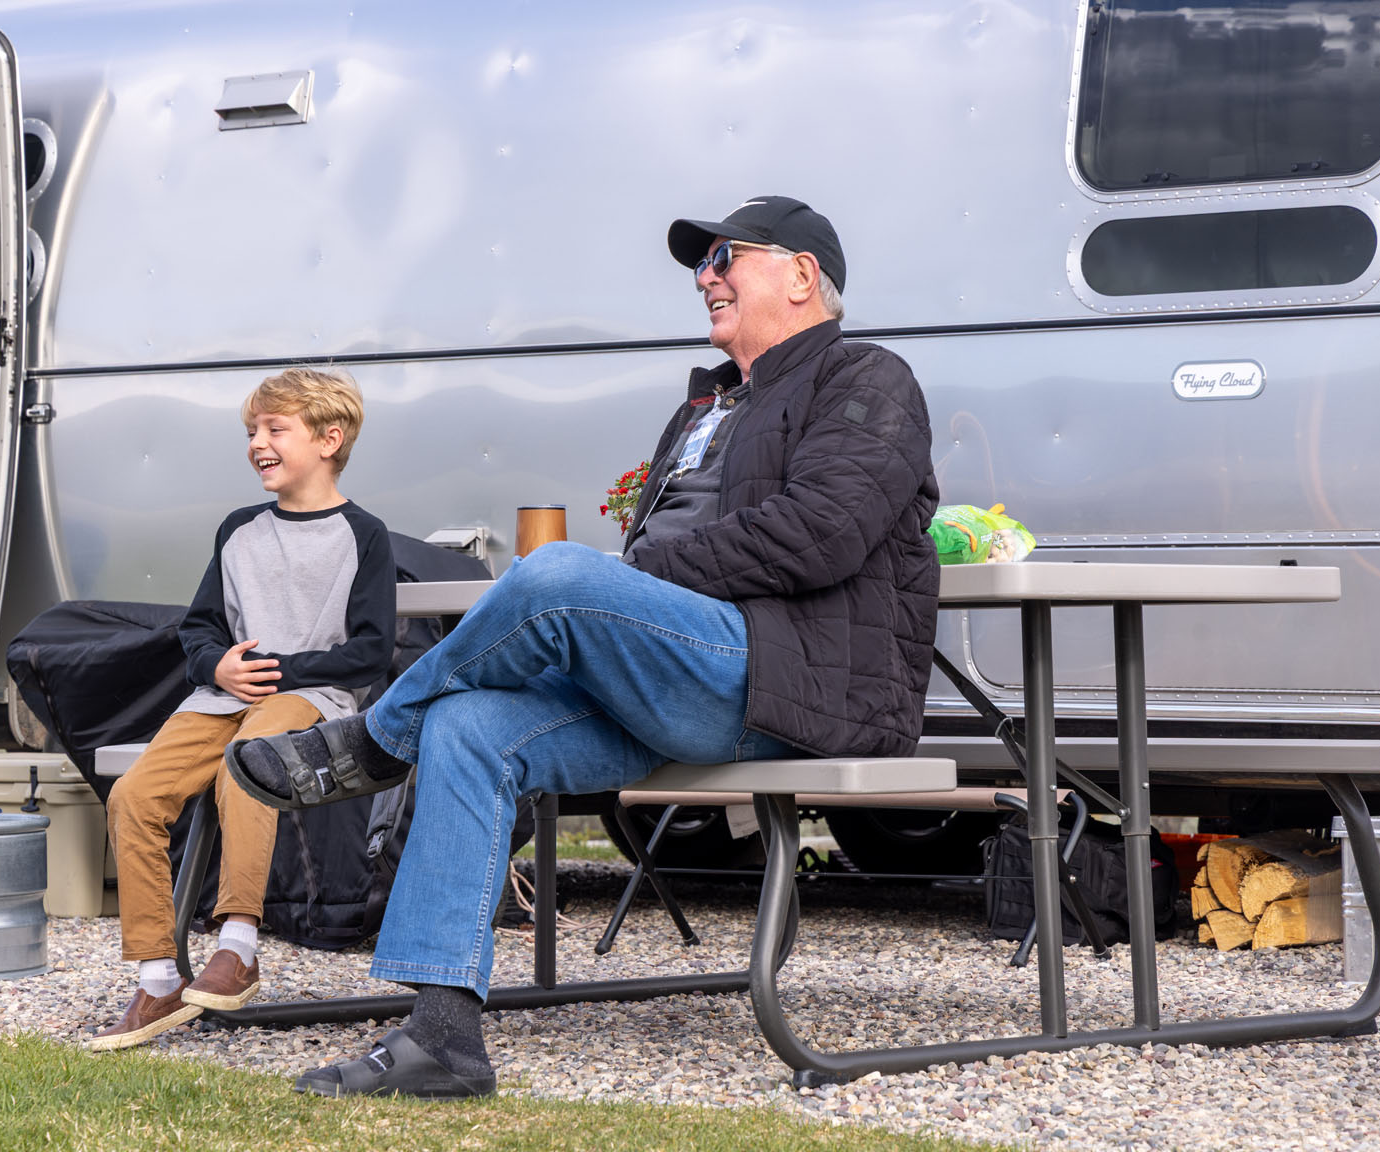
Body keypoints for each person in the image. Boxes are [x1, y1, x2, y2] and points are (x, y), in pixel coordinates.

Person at [225, 196, 940, 1096]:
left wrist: (629, 579)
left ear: (801, 275)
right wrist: (627, 589)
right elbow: (665, 556)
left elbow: (819, 533)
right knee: (468, 727)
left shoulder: (864, 377)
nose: (704, 277)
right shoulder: (709, 405)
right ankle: (441, 1039)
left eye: (724, 256)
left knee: (556, 572)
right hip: (679, 681)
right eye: (701, 265)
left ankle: (374, 740)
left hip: (787, 679)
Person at [87, 367, 395, 1051]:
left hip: (307, 698)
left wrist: (278, 670)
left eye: (275, 429)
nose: (257, 442)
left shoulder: (364, 535)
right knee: (134, 796)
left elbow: (371, 652)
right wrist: (217, 665)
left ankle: (238, 944)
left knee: (244, 766)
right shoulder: (238, 530)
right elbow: (200, 627)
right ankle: (158, 977)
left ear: (328, 439)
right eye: (252, 430)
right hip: (220, 696)